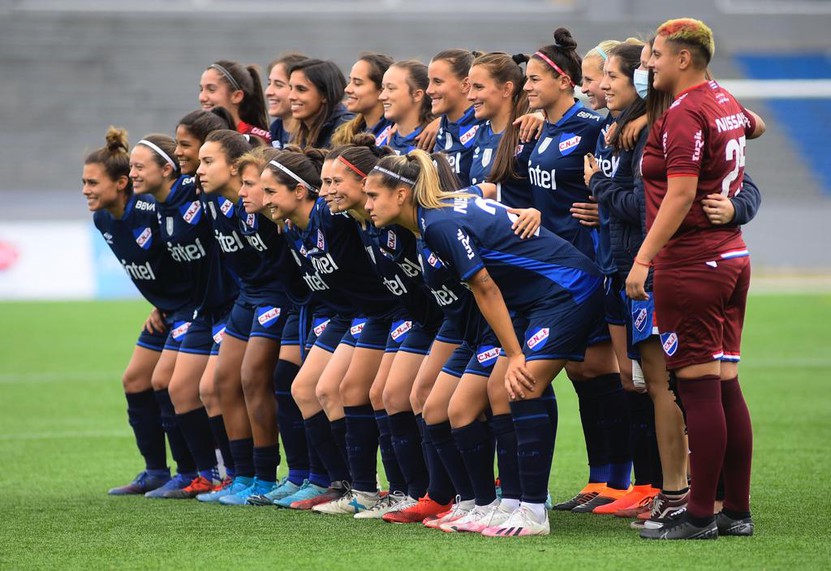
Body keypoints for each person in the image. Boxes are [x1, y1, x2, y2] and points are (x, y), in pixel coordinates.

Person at [365, 149, 604, 537]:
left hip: (566, 289)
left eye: (373, 195)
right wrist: (523, 211)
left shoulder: (437, 224)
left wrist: (514, 354)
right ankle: (506, 505)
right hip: (534, 301)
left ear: (401, 195)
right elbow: (487, 201)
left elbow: (485, 286)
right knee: (498, 388)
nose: (368, 204)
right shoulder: (435, 215)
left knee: (521, 386)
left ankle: (533, 512)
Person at [627, 17, 764, 540]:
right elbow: (755, 125)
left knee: (698, 391)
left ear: (684, 58)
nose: (649, 63)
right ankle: (736, 510)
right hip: (730, 258)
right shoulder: (723, 98)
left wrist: (643, 259)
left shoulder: (684, 114)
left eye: (656, 55)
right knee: (727, 386)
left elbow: (681, 194)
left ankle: (701, 513)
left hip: (692, 263)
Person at [525, 28, 634, 512]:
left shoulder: (590, 125)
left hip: (587, 260)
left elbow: (609, 175)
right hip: (554, 264)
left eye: (533, 79)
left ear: (562, 79)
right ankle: (600, 477)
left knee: (601, 369)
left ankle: (619, 479)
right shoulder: (541, 126)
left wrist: (598, 207)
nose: (527, 86)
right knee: (580, 371)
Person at [84, 127, 197, 496]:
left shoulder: (149, 209)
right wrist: (157, 304)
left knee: (166, 382)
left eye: (91, 182)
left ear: (120, 184)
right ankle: (155, 471)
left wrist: (179, 304)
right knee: (134, 379)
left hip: (190, 307)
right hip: (166, 310)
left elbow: (185, 257)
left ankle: (192, 470)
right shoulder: (103, 220)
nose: (85, 190)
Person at [129, 133, 239, 498]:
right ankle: (202, 472)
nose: (132, 175)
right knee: (171, 384)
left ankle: (240, 473)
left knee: (210, 387)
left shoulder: (197, 196)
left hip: (229, 304)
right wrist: (164, 305)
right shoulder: (159, 208)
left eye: (139, 166)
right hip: (196, 309)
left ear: (167, 169)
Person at [191, 130, 298, 505]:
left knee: (253, 378)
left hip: (275, 297)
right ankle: (243, 475)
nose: (199, 170)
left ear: (235, 168)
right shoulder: (216, 204)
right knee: (223, 381)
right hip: (247, 297)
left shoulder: (262, 205)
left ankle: (267, 476)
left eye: (208, 162)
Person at [199, 60, 272, 143]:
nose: (202, 98)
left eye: (211, 89)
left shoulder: (259, 140)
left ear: (236, 96)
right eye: (201, 89)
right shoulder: (197, 136)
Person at [332, 54, 395, 147]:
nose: (347, 89)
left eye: (357, 83)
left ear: (381, 90)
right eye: (349, 82)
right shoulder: (346, 134)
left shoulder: (395, 135)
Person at [288, 59, 354, 149]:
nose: (291, 96)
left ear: (324, 95)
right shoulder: (298, 133)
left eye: (301, 89)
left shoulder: (345, 130)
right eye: (290, 88)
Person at [379, 60, 433, 154]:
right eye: (383, 89)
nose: (382, 97)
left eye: (391, 88)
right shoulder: (384, 138)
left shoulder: (432, 141)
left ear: (417, 95)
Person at [265, 53, 308, 148]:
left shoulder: (317, 135)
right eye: (269, 83)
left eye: (279, 85)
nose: (268, 92)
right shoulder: (274, 130)